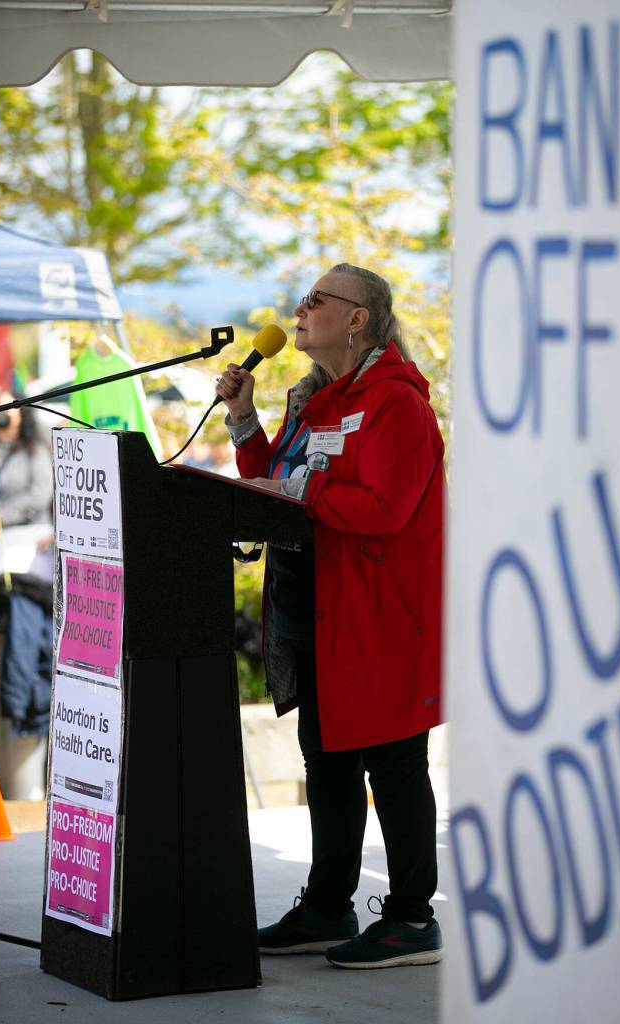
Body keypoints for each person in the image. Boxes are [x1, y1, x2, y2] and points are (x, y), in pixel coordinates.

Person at [216, 263, 445, 970]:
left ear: (359, 319)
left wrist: (301, 489)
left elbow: (386, 509)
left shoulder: (395, 404)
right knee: (328, 761)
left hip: (374, 611)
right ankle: (326, 904)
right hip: (309, 604)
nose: (301, 309)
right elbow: (275, 482)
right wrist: (246, 419)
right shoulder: (313, 400)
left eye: (318, 300)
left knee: (394, 762)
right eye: (303, 299)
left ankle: (412, 917)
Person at [0, 393, 52, 538]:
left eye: (9, 407)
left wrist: (3, 516)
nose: (3, 412)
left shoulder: (34, 448)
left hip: (27, 536)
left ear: (21, 414)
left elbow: (40, 494)